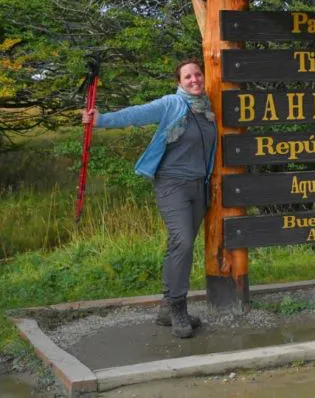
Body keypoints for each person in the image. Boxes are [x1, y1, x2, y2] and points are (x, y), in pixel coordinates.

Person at [82, 59, 216, 338]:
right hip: (171, 184)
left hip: (198, 187)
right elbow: (137, 114)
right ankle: (179, 308)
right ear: (179, 82)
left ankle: (167, 308)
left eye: (197, 74)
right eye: (187, 76)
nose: (194, 80)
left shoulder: (208, 108)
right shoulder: (172, 104)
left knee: (179, 245)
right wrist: (101, 119)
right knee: (183, 241)